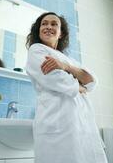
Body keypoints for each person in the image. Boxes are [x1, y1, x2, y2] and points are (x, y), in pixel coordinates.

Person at [25, 12, 108, 163]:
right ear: (38, 29)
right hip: (57, 123)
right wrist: (81, 86)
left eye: (54, 24)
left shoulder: (69, 60)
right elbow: (58, 79)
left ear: (61, 33)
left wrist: (66, 66)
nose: (48, 27)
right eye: (44, 24)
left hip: (81, 123)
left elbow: (92, 81)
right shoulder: (36, 50)